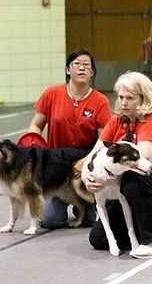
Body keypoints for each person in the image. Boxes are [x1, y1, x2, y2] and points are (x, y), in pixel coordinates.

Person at [82, 71, 152, 258]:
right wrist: (87, 176)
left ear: (143, 99)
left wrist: (105, 175)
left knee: (133, 176)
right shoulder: (117, 121)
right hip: (133, 188)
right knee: (98, 239)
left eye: (130, 98)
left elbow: (142, 161)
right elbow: (92, 155)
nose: (123, 102)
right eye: (121, 97)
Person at [28, 49, 111, 229]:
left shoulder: (101, 101)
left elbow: (104, 140)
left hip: (85, 165)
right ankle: (61, 203)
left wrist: (85, 162)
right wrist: (32, 144)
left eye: (86, 65)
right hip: (55, 166)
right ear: (68, 70)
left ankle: (84, 206)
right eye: (76, 64)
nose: (81, 68)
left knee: (90, 221)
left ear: (92, 72)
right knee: (50, 221)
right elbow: (35, 126)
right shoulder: (51, 94)